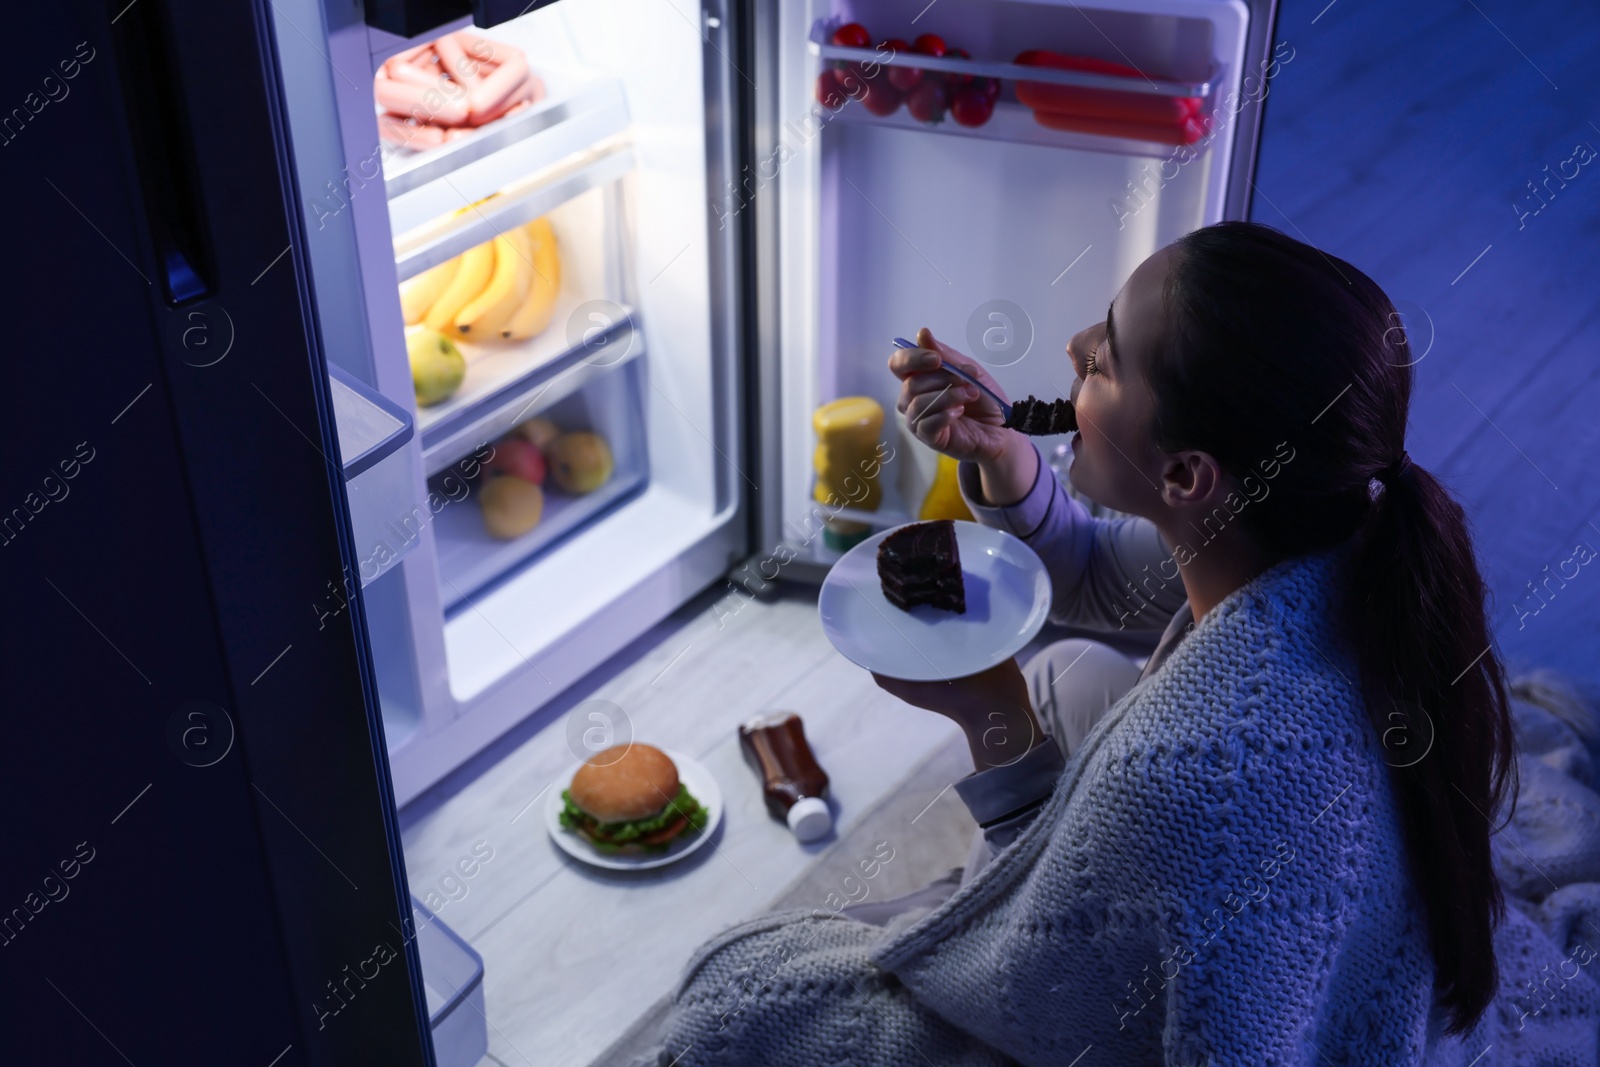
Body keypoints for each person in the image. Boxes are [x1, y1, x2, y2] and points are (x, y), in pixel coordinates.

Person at [640, 222, 1600, 1065]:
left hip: (1236, 905)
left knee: (737, 1002)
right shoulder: (1328, 533)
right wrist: (1005, 460)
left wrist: (992, 716)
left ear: (1186, 475)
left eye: (1103, 361)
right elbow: (1103, 575)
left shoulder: (1191, 768)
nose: (1072, 346)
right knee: (1073, 667)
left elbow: (1036, 992)